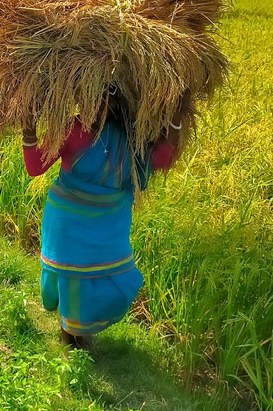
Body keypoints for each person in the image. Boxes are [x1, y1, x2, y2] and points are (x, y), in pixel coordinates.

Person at [22, 92, 189, 350]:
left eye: (110, 99)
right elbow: (36, 166)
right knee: (71, 279)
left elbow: (162, 159)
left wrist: (177, 118)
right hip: (69, 220)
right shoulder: (74, 129)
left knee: (109, 278)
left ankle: (78, 330)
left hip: (108, 223)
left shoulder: (136, 138)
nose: (102, 105)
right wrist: (28, 128)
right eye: (97, 98)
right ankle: (70, 335)